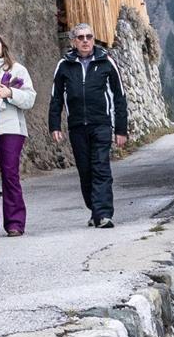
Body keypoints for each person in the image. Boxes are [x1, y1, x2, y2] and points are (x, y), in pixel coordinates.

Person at [48, 24, 129, 228]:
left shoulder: (106, 62)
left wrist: (120, 129)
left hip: (101, 124)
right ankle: (95, 210)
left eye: (89, 37)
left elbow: (119, 98)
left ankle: (103, 214)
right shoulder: (64, 65)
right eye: (81, 37)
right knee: (85, 171)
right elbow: (56, 98)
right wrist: (54, 125)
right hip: (77, 126)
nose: (85, 41)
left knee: (101, 167)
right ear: (74, 41)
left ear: (94, 39)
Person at [0, 32, 36, 237]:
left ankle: (15, 222)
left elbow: (29, 99)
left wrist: (10, 93)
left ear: (3, 45)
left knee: (10, 174)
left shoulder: (17, 70)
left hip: (11, 127)